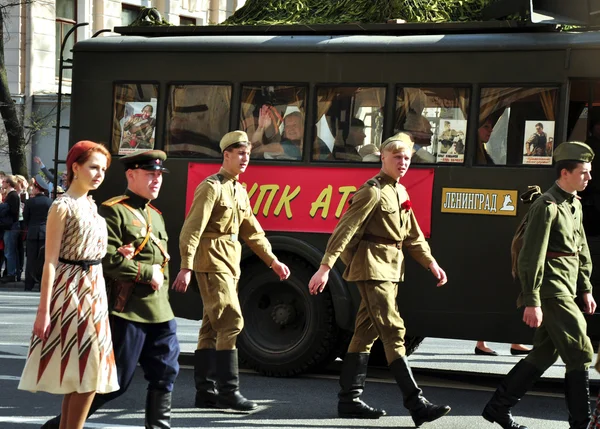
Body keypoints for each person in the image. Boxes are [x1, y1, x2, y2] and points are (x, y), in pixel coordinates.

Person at [308, 132, 451, 426]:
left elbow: (412, 236)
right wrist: (325, 267)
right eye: (396, 157)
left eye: (407, 158)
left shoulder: (400, 192)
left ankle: (350, 400)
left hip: (391, 269)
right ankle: (417, 403)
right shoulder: (371, 191)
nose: (402, 162)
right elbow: (344, 231)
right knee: (393, 330)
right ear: (383, 158)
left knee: (366, 332)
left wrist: (431, 263)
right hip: (373, 268)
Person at [41, 149, 180, 429]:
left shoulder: (155, 214)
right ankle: (59, 426)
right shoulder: (114, 210)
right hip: (128, 310)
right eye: (150, 174)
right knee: (115, 383)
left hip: (160, 310)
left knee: (166, 373)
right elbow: (108, 259)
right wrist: (144, 272)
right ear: (131, 175)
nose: (156, 180)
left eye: (159, 175)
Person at [172, 130, 291, 411]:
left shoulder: (238, 189)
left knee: (211, 327)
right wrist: (186, 266)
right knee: (230, 321)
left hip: (229, 263)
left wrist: (272, 260)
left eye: (248, 153)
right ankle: (228, 391)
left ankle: (205, 392)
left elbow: (252, 231)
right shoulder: (211, 187)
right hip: (211, 261)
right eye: (240, 153)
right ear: (226, 155)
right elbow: (191, 228)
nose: (245, 158)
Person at [482, 141, 596, 429]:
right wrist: (531, 299)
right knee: (581, 351)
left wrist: (585, 288)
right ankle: (581, 424)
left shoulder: (574, 205)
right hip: (551, 287)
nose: (589, 177)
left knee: (545, 352)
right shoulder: (547, 206)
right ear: (565, 173)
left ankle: (498, 407)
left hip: (567, 286)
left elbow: (581, 250)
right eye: (583, 172)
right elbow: (530, 256)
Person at [18, 141, 118, 429]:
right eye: (93, 167)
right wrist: (43, 311)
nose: (99, 173)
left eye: (103, 169)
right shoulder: (62, 206)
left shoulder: (90, 203)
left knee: (80, 373)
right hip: (71, 290)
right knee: (89, 373)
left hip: (95, 290)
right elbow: (50, 261)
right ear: (75, 167)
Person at [22, 178, 52, 291]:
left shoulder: (30, 202)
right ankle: (42, 285)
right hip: (45, 233)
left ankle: (29, 284)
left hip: (32, 233)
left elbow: (26, 218)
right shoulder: (50, 202)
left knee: (31, 259)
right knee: (44, 260)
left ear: (36, 188)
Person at [0, 175, 21, 283]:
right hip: (10, 227)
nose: (2, 183)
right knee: (9, 251)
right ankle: (10, 272)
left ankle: (11, 274)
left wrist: (3, 209)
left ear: (8, 184)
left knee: (9, 251)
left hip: (11, 227)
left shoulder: (12, 196)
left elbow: (13, 212)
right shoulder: (11, 195)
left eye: (4, 182)